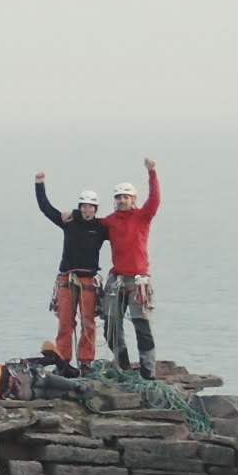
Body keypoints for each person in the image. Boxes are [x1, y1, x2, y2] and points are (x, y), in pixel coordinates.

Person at [34, 172, 109, 368]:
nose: (87, 210)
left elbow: (123, 230)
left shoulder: (101, 228)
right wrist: (39, 184)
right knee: (65, 323)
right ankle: (63, 361)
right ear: (80, 207)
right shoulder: (69, 223)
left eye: (90, 207)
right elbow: (46, 208)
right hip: (67, 279)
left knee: (88, 324)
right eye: (83, 206)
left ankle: (85, 363)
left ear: (95, 209)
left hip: (88, 281)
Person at [102, 157, 162, 378]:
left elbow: (155, 200)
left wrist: (152, 173)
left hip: (138, 281)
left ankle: (148, 371)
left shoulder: (142, 217)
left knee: (141, 326)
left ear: (133, 199)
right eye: (118, 197)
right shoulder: (109, 222)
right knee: (110, 325)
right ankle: (123, 363)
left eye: (126, 197)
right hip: (117, 279)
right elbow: (88, 228)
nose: (122, 200)